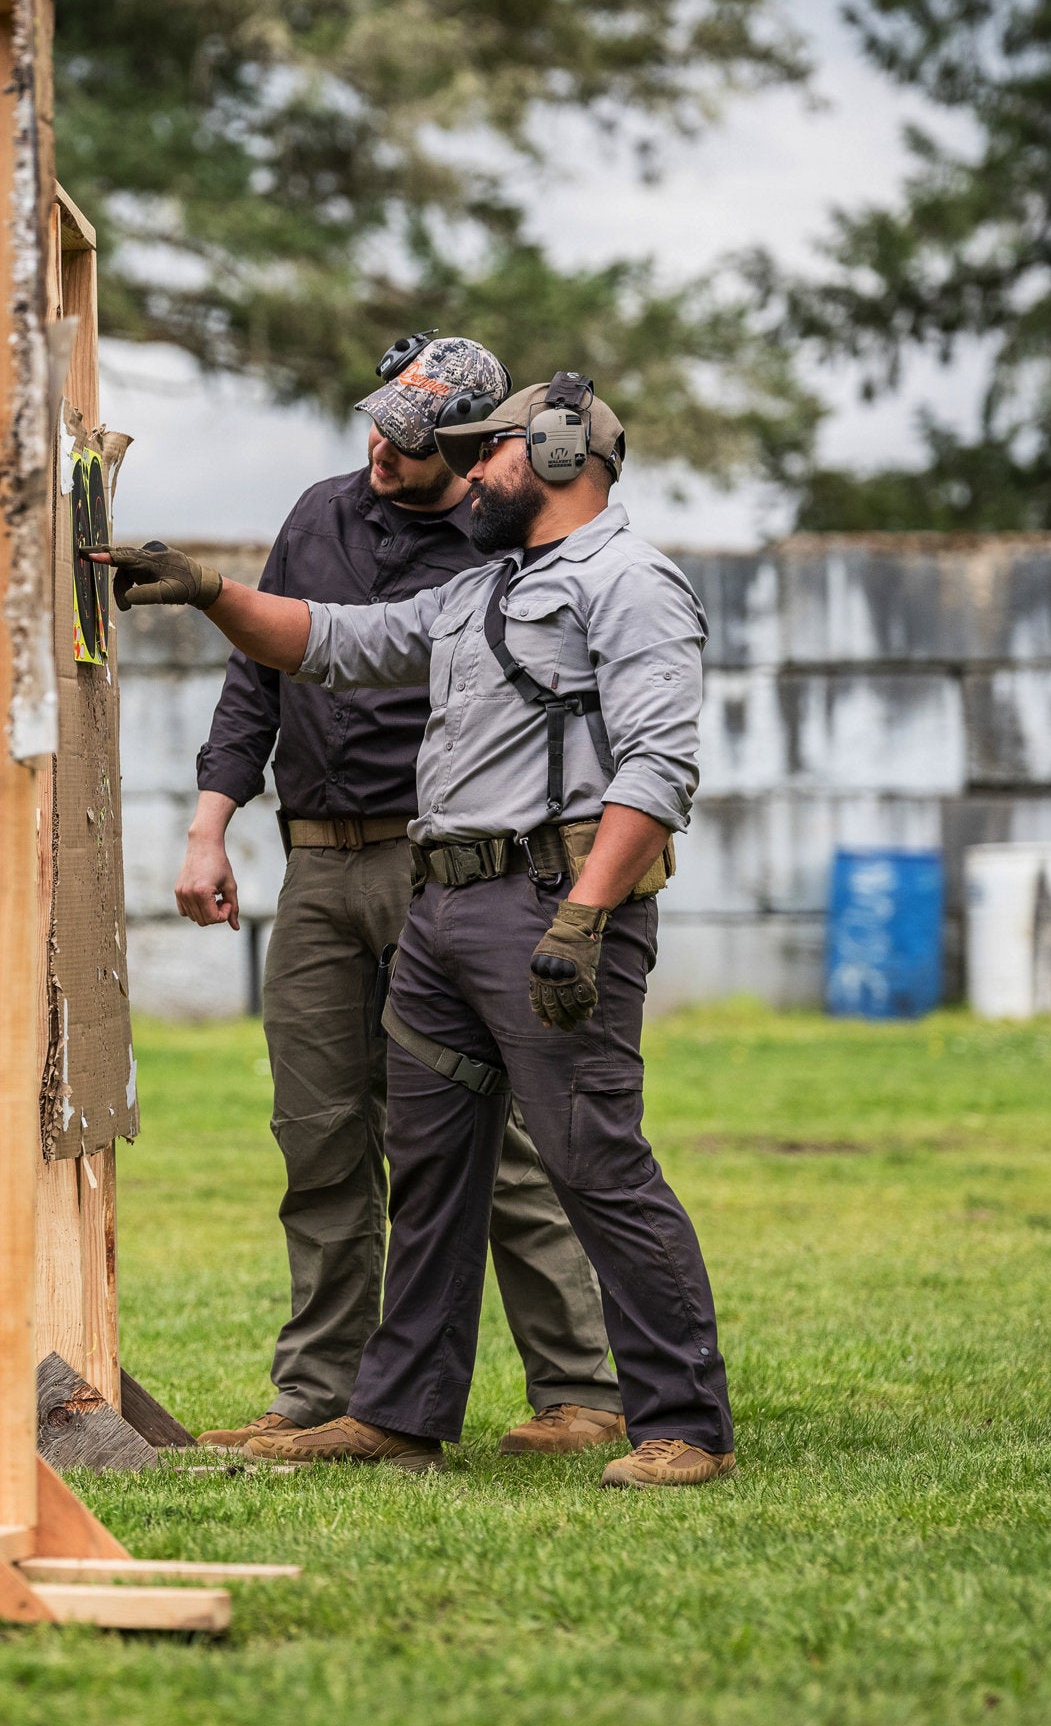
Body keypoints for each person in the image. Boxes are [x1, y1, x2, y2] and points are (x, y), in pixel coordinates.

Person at [94, 371, 734, 1488]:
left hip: (546, 906)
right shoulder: (485, 587)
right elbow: (331, 639)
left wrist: (581, 921)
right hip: (446, 907)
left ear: (550, 448)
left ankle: (681, 1419)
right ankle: (400, 1411)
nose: (468, 467)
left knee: (592, 1158)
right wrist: (205, 589)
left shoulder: (629, 582)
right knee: (433, 1162)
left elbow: (659, 765)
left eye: (484, 449)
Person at [179, 335, 625, 1460]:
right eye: (377, 426)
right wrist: (209, 823)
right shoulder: (318, 514)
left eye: (412, 443)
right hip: (316, 865)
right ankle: (314, 1393)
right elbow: (261, 675)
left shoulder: (499, 549)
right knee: (318, 1129)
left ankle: (581, 1390)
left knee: (501, 1138)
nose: (382, 453)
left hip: (443, 867)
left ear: (468, 450)